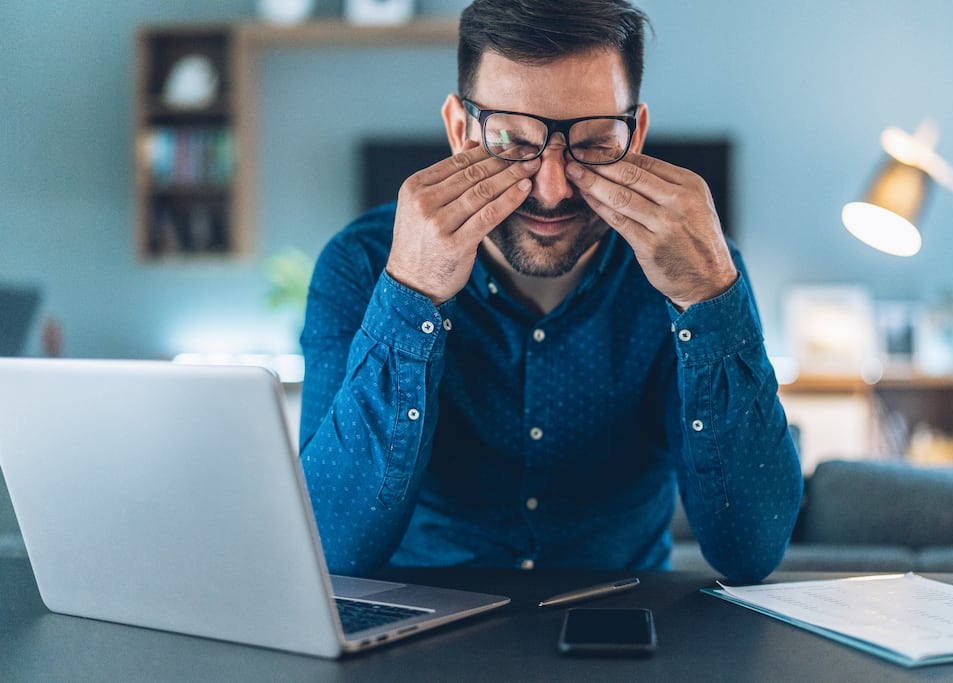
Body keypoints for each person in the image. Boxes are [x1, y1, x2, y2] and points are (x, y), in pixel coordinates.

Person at [299, 0, 803, 583]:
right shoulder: (361, 264)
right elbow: (331, 548)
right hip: (421, 621)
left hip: (623, 615)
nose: (552, 188)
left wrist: (710, 298)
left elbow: (750, 551)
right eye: (512, 142)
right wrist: (413, 295)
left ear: (636, 135)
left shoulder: (702, 268)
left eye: (593, 143)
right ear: (460, 130)